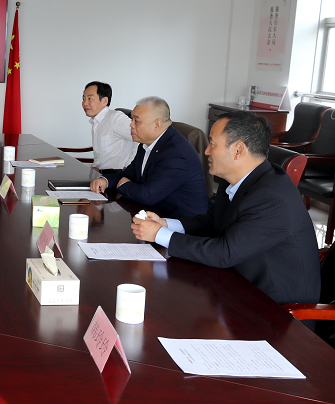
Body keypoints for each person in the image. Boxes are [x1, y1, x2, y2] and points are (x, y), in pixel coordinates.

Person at [131, 111, 320, 305]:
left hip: (276, 307)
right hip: (238, 284)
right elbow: (211, 221)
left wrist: (159, 235)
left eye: (212, 143)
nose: (206, 151)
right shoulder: (234, 179)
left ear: (238, 150)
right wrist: (165, 224)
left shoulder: (272, 198)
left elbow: (225, 253)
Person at [90, 96, 208, 218]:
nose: (131, 125)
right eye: (131, 119)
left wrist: (124, 185)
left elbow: (147, 196)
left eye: (136, 121)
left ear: (157, 124)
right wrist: (105, 180)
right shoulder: (146, 143)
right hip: (154, 214)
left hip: (182, 222)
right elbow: (130, 174)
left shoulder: (176, 153)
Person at [81, 81, 135, 174]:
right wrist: (95, 166)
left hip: (116, 175)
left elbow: (142, 139)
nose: (85, 103)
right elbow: (100, 155)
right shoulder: (96, 121)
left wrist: (130, 164)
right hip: (100, 174)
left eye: (90, 98)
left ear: (104, 101)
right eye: (83, 98)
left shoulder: (116, 118)